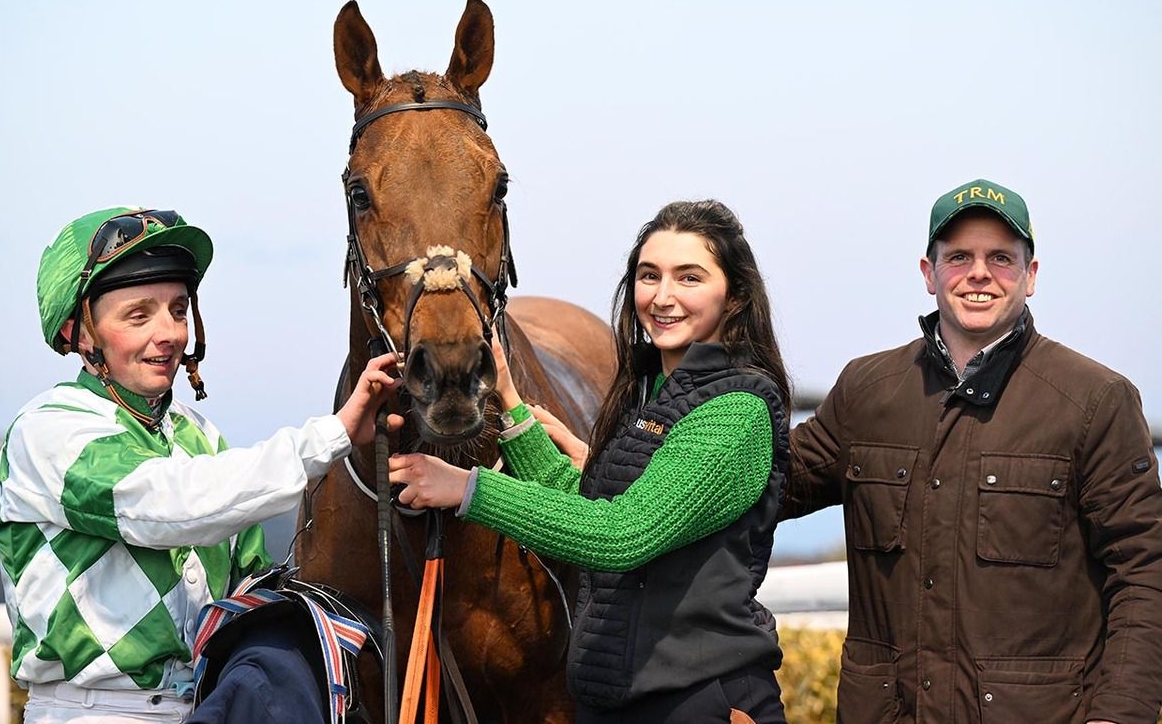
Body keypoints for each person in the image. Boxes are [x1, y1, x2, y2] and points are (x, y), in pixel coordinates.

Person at [0, 207, 401, 723]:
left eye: (178, 310)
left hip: (208, 707)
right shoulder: (48, 429)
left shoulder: (201, 435)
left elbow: (246, 588)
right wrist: (334, 434)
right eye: (139, 315)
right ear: (80, 332)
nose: (169, 333)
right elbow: (169, 506)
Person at [390, 199, 791, 724]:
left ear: (734, 295)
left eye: (689, 278)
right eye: (650, 276)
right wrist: (510, 408)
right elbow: (586, 507)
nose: (663, 297)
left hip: (700, 701)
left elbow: (620, 534)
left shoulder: (735, 413)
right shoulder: (651, 395)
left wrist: (469, 489)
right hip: (622, 698)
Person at [782, 180, 1162, 723]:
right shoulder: (867, 390)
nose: (978, 273)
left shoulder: (1093, 401)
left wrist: (1119, 715)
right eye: (959, 256)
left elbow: (1146, 571)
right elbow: (760, 484)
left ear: (1031, 276)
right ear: (927, 272)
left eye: (1001, 258)